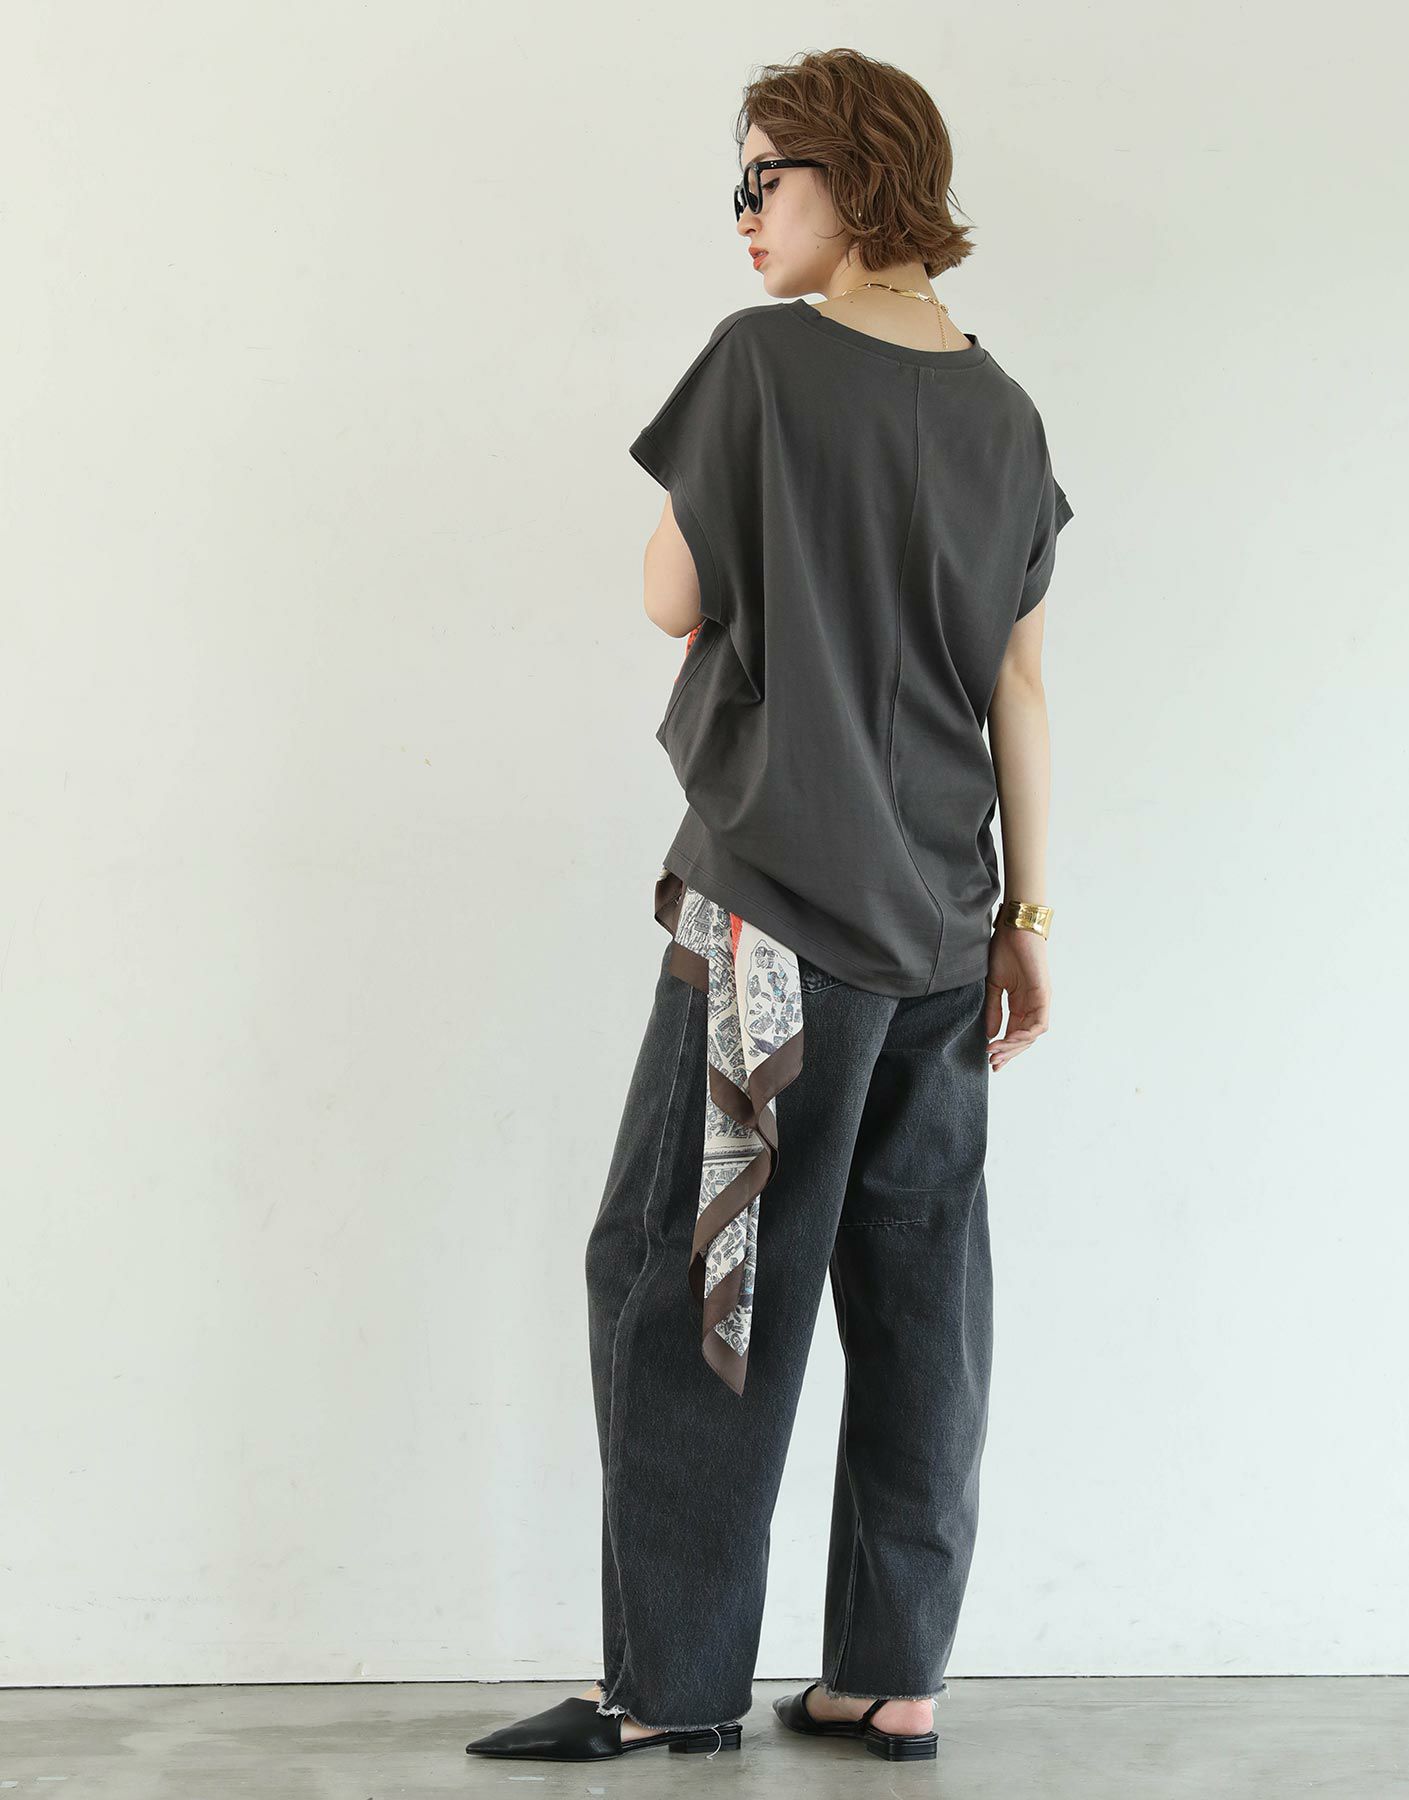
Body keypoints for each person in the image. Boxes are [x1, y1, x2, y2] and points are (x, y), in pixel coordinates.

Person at [466, 45, 1074, 1767]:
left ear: (852, 178)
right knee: (918, 1292)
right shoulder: (1008, 415)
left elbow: (672, 597)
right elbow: (1020, 687)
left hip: (776, 934)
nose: (741, 215)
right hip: (947, 928)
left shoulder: (761, 363)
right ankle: (892, 1672)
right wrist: (1031, 919)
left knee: (691, 1282)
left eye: (763, 178)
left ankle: (666, 1685)